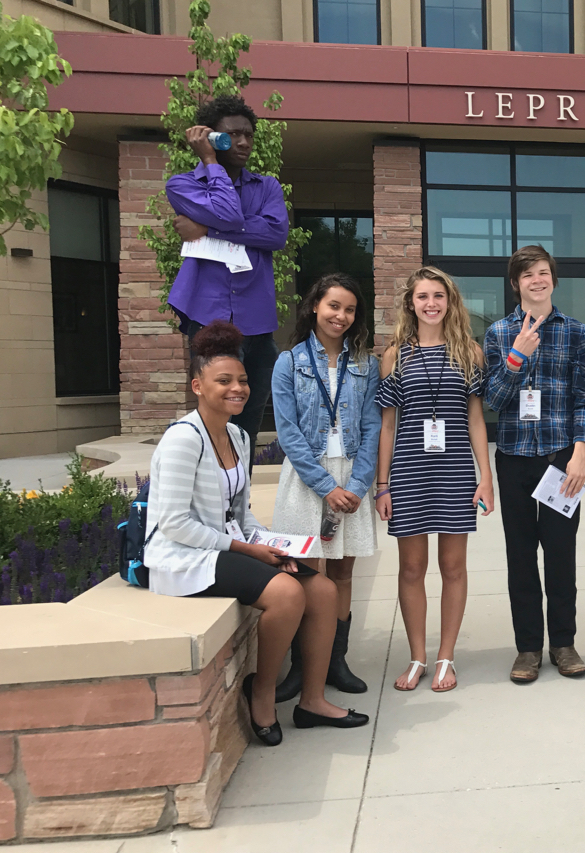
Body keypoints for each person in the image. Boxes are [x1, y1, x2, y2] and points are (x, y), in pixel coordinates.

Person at [141, 322, 368, 747]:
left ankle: (312, 701)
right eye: (223, 381)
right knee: (287, 594)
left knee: (321, 591)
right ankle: (261, 692)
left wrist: (272, 543)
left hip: (228, 546)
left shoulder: (238, 436)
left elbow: (240, 514)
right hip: (186, 555)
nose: (237, 389)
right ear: (197, 385)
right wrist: (249, 548)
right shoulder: (182, 440)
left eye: (242, 380)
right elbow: (173, 523)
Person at [375, 267, 494, 693]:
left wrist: (486, 477)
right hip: (408, 469)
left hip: (456, 469)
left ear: (450, 301)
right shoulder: (395, 355)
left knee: (453, 567)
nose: (431, 304)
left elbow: (475, 419)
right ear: (411, 303)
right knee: (411, 568)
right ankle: (417, 657)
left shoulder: (470, 353)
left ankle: (446, 657)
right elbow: (388, 425)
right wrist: (382, 484)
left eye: (438, 296)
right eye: (423, 296)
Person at [483, 245, 585, 684]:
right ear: (516, 283)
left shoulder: (576, 332)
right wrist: (516, 357)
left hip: (560, 461)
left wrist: (580, 451)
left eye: (544, 272)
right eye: (527, 274)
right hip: (513, 460)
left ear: (553, 279)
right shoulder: (497, 333)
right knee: (520, 558)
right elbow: (492, 400)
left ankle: (563, 644)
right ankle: (528, 648)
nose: (537, 280)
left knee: (561, 556)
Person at [270, 274, 380, 702]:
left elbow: (372, 428)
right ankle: (303, 668)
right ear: (315, 306)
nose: (341, 316)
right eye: (334, 306)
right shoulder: (290, 362)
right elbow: (288, 431)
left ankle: (336, 661)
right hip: (306, 478)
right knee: (307, 576)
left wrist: (355, 484)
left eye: (350, 309)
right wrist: (324, 486)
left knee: (343, 573)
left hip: (352, 476)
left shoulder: (364, 364)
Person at [165, 94, 289, 453]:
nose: (245, 142)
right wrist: (208, 160)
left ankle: (240, 505)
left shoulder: (267, 187)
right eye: (233, 135)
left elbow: (274, 234)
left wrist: (206, 229)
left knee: (247, 427)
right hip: (207, 317)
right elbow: (232, 215)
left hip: (256, 320)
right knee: (214, 423)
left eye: (249, 134)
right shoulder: (182, 185)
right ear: (211, 137)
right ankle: (210, 506)